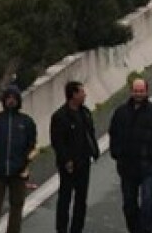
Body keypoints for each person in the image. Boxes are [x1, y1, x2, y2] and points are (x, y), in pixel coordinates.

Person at [109, 78, 152, 233]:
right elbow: (113, 133)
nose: (138, 94)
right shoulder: (120, 112)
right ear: (131, 91)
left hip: (148, 166)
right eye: (136, 91)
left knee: (147, 201)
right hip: (127, 167)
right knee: (129, 204)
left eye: (141, 91)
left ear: (146, 91)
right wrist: (117, 153)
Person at [0, 84, 38, 233]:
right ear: (4, 100)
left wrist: (24, 162)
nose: (11, 101)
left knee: (17, 207)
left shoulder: (27, 122)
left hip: (19, 172)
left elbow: (33, 145)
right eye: (8, 97)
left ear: (18, 100)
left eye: (14, 98)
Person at [50, 80, 99, 233]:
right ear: (73, 95)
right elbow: (57, 141)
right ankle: (62, 229)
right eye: (81, 92)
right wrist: (66, 160)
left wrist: (94, 151)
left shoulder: (85, 113)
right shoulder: (60, 116)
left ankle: (77, 229)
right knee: (65, 198)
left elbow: (90, 134)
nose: (85, 95)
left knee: (81, 200)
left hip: (84, 162)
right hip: (68, 166)